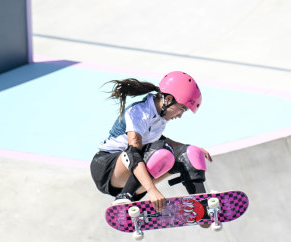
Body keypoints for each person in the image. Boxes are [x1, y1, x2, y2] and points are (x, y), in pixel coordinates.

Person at [90, 71, 212, 213]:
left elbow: (160, 140)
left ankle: (202, 209)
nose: (180, 116)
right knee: (162, 152)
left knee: (189, 153)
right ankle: (124, 197)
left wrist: (191, 149)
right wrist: (152, 190)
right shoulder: (138, 112)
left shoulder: (159, 118)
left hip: (130, 171)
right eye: (181, 109)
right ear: (169, 99)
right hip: (106, 168)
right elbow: (133, 153)